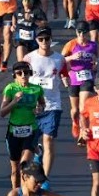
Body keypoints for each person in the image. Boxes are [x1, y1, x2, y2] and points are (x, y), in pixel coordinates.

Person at [25, 28, 67, 175]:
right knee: (30, 143)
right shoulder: (29, 59)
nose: (44, 42)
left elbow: (65, 74)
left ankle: (45, 178)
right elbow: (21, 80)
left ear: (51, 39)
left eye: (47, 39)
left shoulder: (59, 59)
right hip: (32, 107)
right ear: (36, 40)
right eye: (41, 39)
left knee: (48, 140)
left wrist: (67, 80)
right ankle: (38, 153)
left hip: (52, 105)